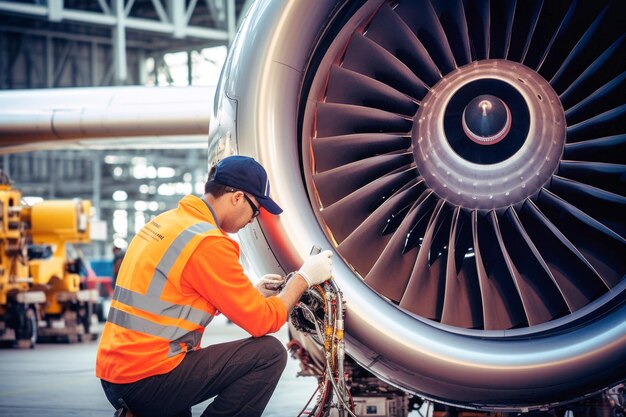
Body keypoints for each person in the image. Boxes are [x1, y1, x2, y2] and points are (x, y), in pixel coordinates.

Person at [96, 155, 334, 417]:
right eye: (256, 210)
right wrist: (304, 278)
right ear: (237, 197)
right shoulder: (208, 242)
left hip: (116, 373)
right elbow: (263, 321)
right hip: (150, 376)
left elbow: (178, 295)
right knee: (269, 354)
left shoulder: (166, 223)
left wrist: (250, 294)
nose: (254, 219)